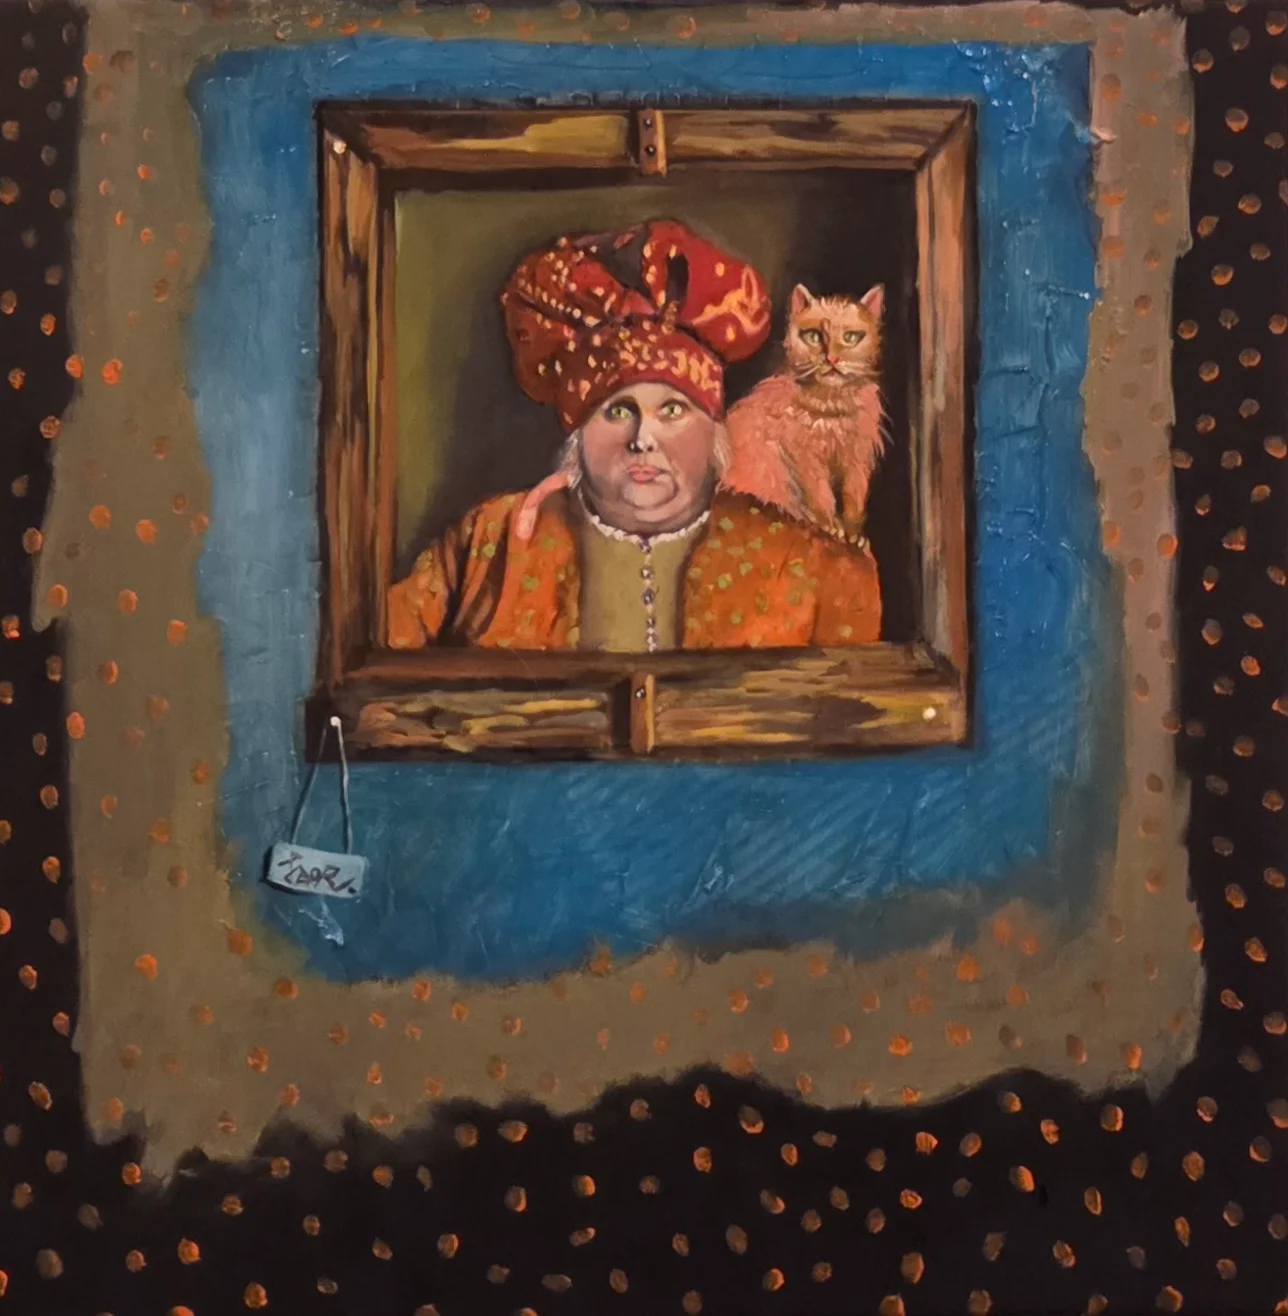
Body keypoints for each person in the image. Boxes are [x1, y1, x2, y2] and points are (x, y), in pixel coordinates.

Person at [387, 219, 882, 653]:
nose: (644, 438)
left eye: (673, 410)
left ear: (715, 431)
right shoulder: (491, 540)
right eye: (618, 411)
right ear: (577, 434)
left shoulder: (811, 563)